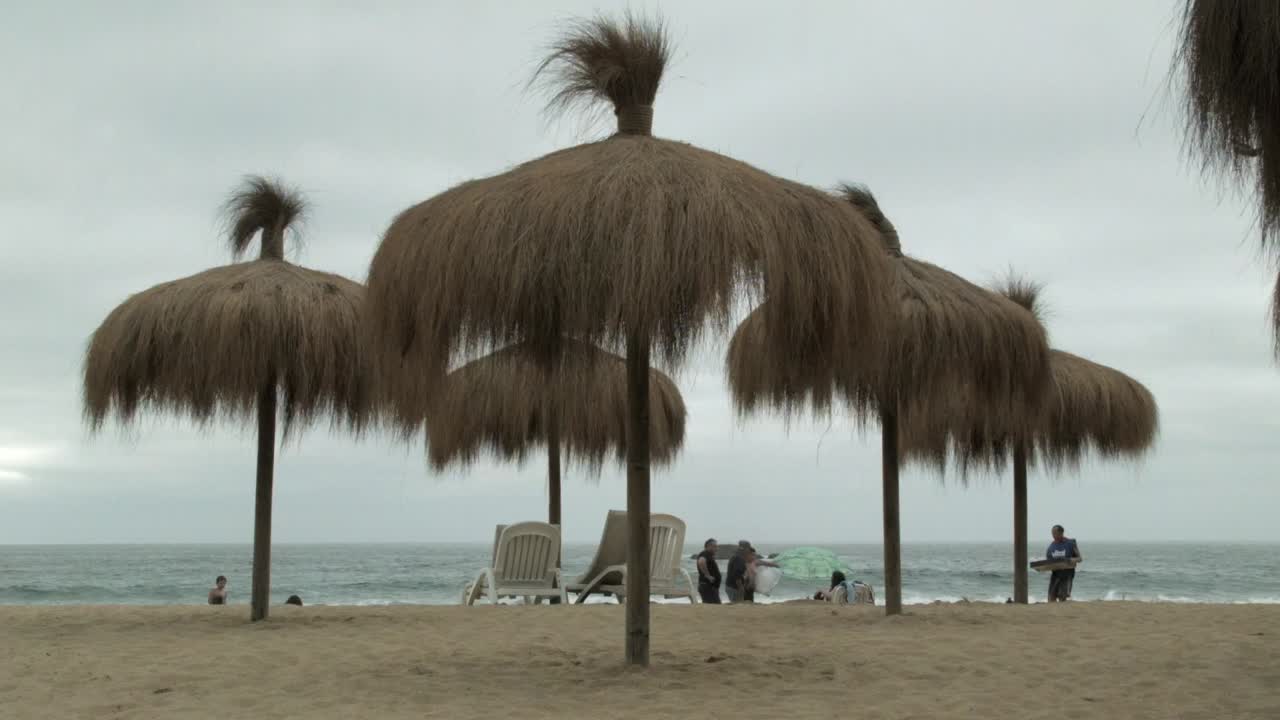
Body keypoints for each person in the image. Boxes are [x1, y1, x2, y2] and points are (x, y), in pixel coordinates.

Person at [1045, 524, 1083, 602]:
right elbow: (1048, 562)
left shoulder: (1071, 543)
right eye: (1052, 533)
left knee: (1062, 597)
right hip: (1055, 574)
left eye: (1055, 533)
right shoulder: (1051, 546)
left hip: (1067, 574)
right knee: (1051, 598)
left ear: (1061, 533)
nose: (1053, 535)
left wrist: (1071, 560)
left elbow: (1079, 559)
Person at [695, 538, 722, 604]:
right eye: (715, 546)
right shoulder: (705, 553)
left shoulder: (708, 555)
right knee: (715, 606)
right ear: (709, 546)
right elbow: (701, 561)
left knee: (713, 606)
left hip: (709, 587)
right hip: (707, 586)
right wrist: (708, 576)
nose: (716, 548)